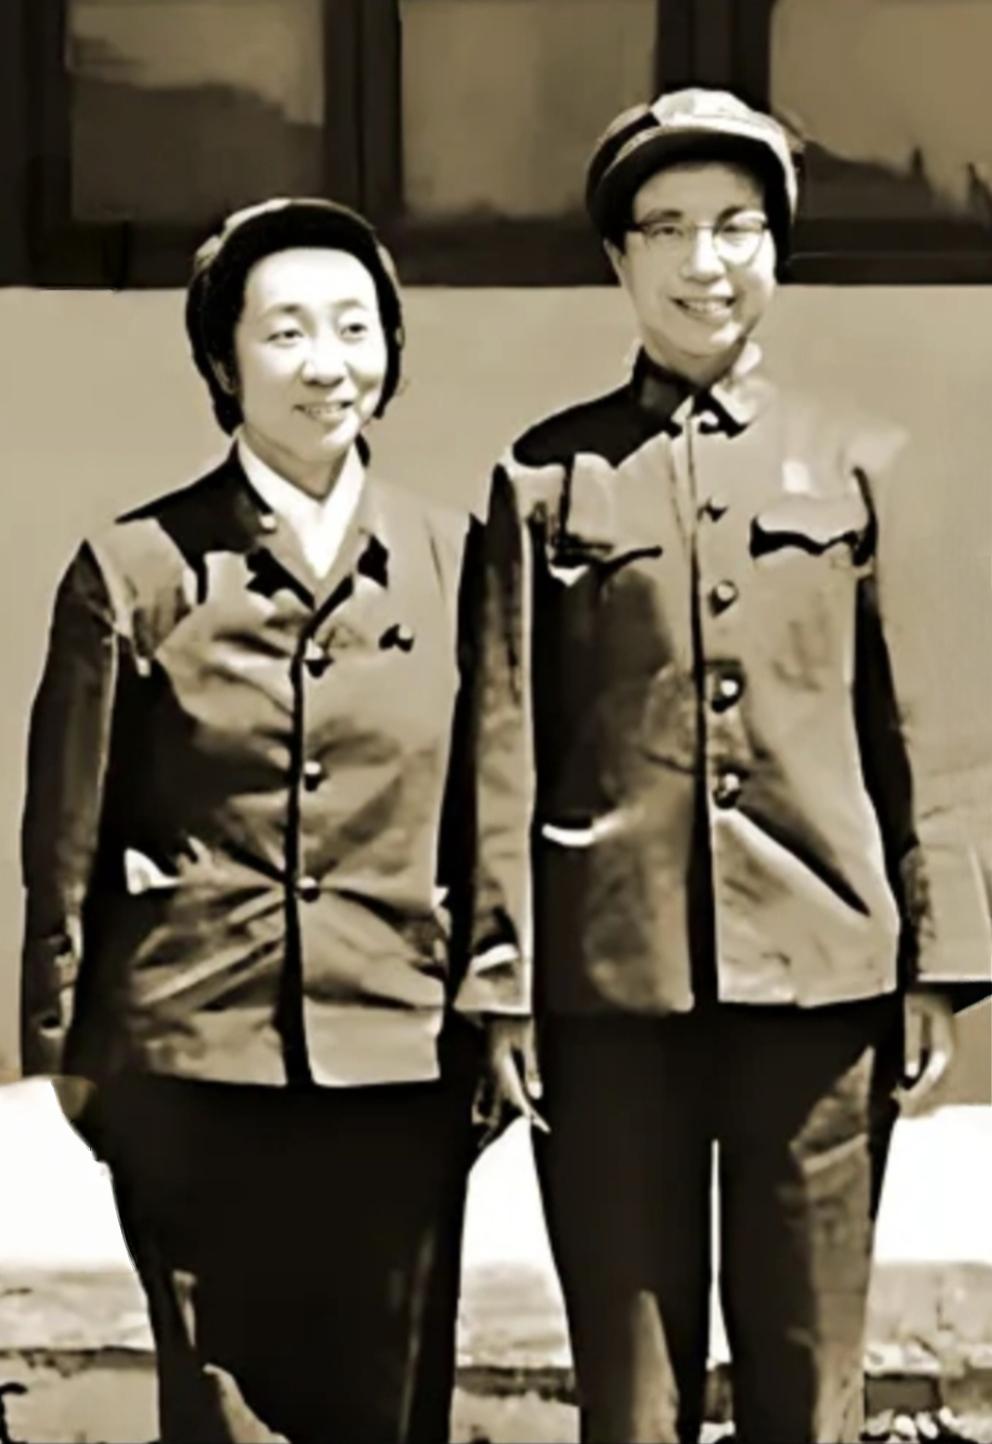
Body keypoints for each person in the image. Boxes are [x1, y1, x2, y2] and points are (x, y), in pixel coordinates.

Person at [473, 90, 992, 1443]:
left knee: (807, 1378)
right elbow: (505, 741)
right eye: (667, 230)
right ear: (618, 257)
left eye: (736, 227)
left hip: (821, 982)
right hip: (606, 991)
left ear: (775, 249)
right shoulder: (543, 478)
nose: (704, 262)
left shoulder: (862, 466)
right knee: (629, 1390)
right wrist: (502, 979)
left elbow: (919, 730)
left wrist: (938, 962)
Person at [19, 197, 509, 1444]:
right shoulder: (133, 569)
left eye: (354, 327)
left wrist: (500, 1013)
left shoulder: (458, 563)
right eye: (285, 331)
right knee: (220, 1414)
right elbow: (64, 832)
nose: (325, 362)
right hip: (190, 1059)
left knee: (389, 1412)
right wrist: (64, 1044)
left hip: (402, 1060)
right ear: (222, 361)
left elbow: (495, 810)